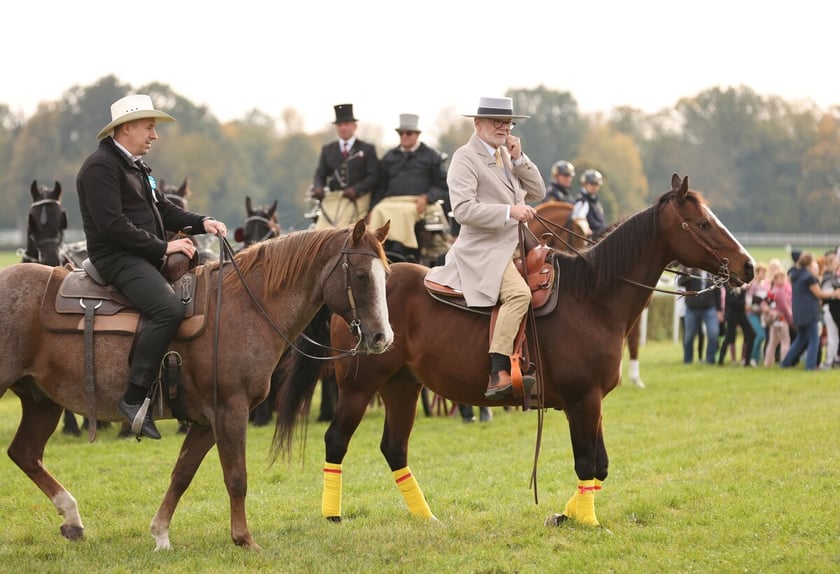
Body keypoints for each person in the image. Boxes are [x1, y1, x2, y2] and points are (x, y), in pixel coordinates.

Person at [76, 94, 228, 439]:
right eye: (149, 127)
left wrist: (203, 222)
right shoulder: (100, 167)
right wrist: (164, 246)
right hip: (117, 258)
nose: (154, 135)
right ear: (126, 127)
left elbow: (165, 211)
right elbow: (112, 226)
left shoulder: (138, 167)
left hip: (143, 255)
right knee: (167, 309)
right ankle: (133, 399)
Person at [425, 96, 546, 399]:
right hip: (484, 249)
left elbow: (538, 191)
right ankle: (498, 370)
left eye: (507, 122)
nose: (502, 127)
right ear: (477, 124)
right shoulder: (465, 157)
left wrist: (519, 158)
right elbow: (463, 210)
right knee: (519, 294)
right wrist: (509, 212)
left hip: (517, 242)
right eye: (496, 121)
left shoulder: (507, 155)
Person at [367, 113, 448, 262]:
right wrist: (371, 208)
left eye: (408, 133)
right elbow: (380, 187)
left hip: (418, 202)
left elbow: (442, 186)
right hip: (391, 201)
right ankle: (378, 248)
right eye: (401, 133)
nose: (404, 136)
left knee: (404, 212)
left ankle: (402, 250)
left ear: (417, 135)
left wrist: (427, 197)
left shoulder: (431, 156)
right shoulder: (390, 157)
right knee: (379, 210)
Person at [310, 103, 379, 229]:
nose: (343, 128)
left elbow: (374, 177)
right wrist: (318, 187)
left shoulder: (367, 149)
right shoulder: (328, 150)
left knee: (342, 227)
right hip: (334, 198)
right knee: (320, 230)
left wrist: (356, 190)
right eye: (340, 125)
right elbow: (320, 174)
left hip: (358, 198)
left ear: (354, 126)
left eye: (346, 124)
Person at [780, 252, 840, 370]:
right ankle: (810, 366)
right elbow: (818, 293)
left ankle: (786, 363)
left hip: (798, 312)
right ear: (809, 263)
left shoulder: (795, 275)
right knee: (814, 340)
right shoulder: (809, 277)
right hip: (809, 312)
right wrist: (834, 293)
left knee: (801, 339)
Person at [679, 269, 723, 364]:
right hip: (692, 308)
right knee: (689, 336)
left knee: (713, 334)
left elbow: (717, 292)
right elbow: (681, 282)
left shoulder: (712, 274)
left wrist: (719, 310)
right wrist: (688, 272)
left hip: (710, 308)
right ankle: (688, 360)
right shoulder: (691, 272)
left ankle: (710, 360)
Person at [718, 286, 755, 366]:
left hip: (741, 314)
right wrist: (743, 303)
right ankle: (720, 360)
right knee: (729, 337)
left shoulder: (743, 286)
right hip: (732, 315)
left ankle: (747, 361)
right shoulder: (730, 285)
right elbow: (731, 301)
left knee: (751, 334)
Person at [763, 269, 792, 366]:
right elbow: (785, 307)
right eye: (781, 278)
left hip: (773, 318)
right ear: (775, 279)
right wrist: (790, 319)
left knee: (773, 341)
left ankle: (768, 362)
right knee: (785, 340)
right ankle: (785, 361)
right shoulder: (781, 291)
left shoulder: (772, 291)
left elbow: (766, 303)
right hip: (782, 317)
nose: (783, 280)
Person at [571, 169, 607, 238]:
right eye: (592, 184)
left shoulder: (596, 202)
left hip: (600, 237)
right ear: (585, 184)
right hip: (590, 240)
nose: (594, 187)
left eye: (596, 184)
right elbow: (577, 221)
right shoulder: (582, 201)